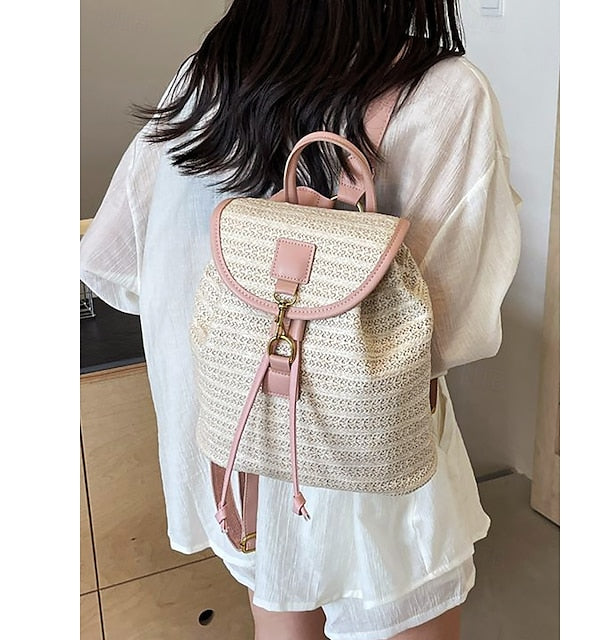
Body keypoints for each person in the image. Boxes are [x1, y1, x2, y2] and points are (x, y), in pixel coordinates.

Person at [80, 1, 521, 638]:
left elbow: (121, 261)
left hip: (245, 451)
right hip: (371, 457)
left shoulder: (208, 75)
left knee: (281, 611)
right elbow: (450, 332)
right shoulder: (444, 92)